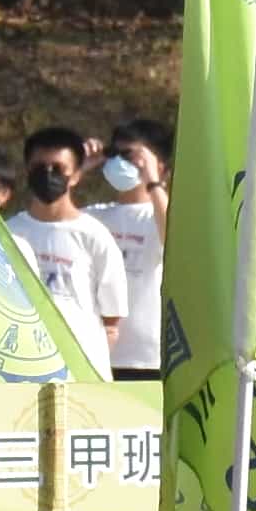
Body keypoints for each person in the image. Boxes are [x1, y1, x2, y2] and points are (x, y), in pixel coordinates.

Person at [4, 128, 128, 362]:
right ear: (28, 170)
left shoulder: (94, 236)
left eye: (59, 168)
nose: (48, 174)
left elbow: (112, 320)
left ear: (76, 175)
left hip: (78, 367)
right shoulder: (7, 233)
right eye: (39, 167)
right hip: (20, 362)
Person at [97, 118, 172, 373]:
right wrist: (77, 169)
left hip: (147, 357)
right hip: (98, 353)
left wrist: (153, 180)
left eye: (129, 155)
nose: (119, 162)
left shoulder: (159, 216)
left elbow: (174, 237)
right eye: (114, 154)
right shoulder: (94, 216)